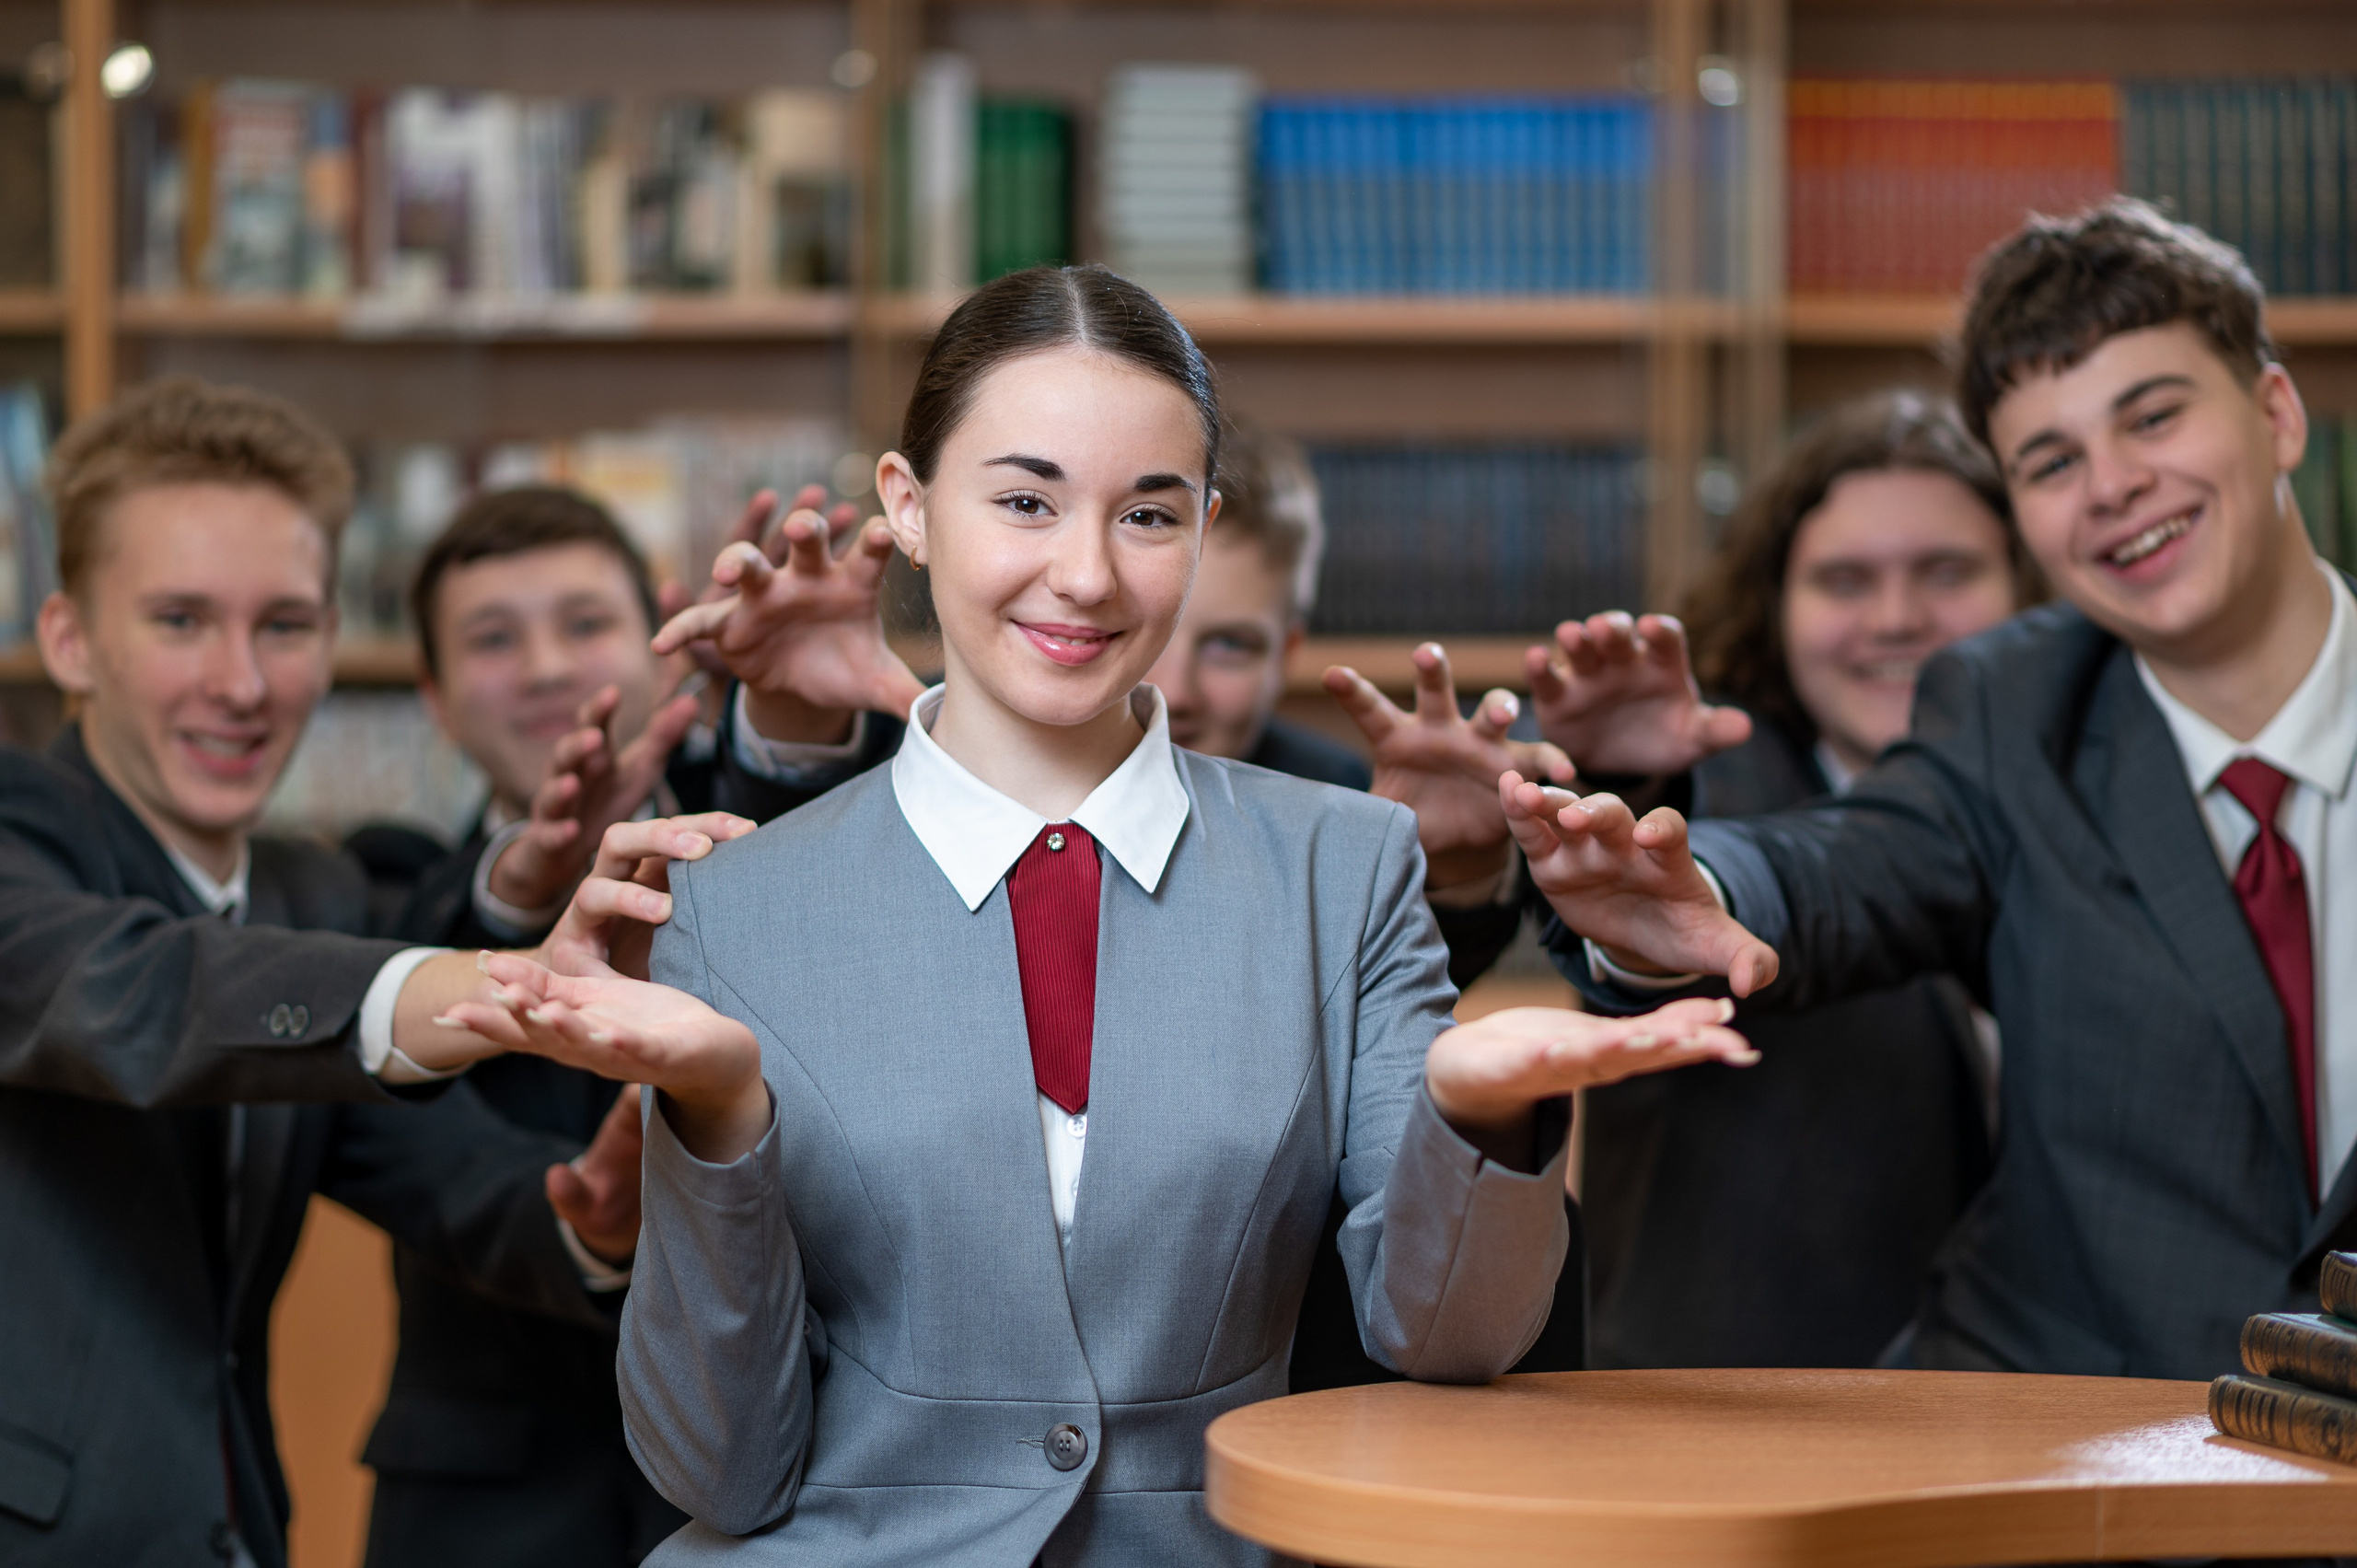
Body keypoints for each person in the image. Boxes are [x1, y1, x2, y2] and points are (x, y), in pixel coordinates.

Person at [440, 263, 1757, 1566]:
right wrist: (720, 1117)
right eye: (1025, 500)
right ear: (908, 507)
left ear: (1204, 527)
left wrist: (1480, 1117)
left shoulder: (1343, 864)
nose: (1085, 575)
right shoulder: (734, 907)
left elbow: (1450, 1340)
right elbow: (718, 1468)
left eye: (1148, 514)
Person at [1515, 198, 2356, 1380]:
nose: (2112, 484)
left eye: (2153, 415)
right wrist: (1701, 888)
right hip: (2084, 1439)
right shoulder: (2009, 705)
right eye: (2050, 461)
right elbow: (1848, 859)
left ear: (2275, 414)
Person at [0, 377, 726, 1568]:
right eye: (180, 619)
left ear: (334, 638)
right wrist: (491, 980)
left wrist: (586, 1219)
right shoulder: (19, 829)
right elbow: (133, 988)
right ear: (70, 638)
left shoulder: (314, 896)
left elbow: (427, 1164)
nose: (241, 682)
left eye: (284, 625)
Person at [351, 484, 897, 1568]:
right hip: (486, 1511)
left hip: (786, 1490)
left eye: (585, 621)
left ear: (663, 638)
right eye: (493, 638)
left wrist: (788, 715)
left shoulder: (751, 847)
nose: (546, 665)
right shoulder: (391, 885)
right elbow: (390, 1076)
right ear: (435, 697)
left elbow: (826, 873)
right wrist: (520, 888)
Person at [1563, 390, 2034, 1368]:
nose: (1897, 619)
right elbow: (1634, 915)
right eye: (1843, 580)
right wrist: (1623, 789)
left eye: (1947, 571)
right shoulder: (1709, 793)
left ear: (2029, 585)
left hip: (2043, 1411)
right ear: (1775, 603)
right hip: (1732, 1409)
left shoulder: (2082, 803)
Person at [1136, 420, 1586, 1388]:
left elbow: (1393, 1016)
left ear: (1288, 650)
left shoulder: (1344, 804)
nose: (1177, 688)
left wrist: (1450, 864)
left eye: (1228, 645)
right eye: (1156, 630)